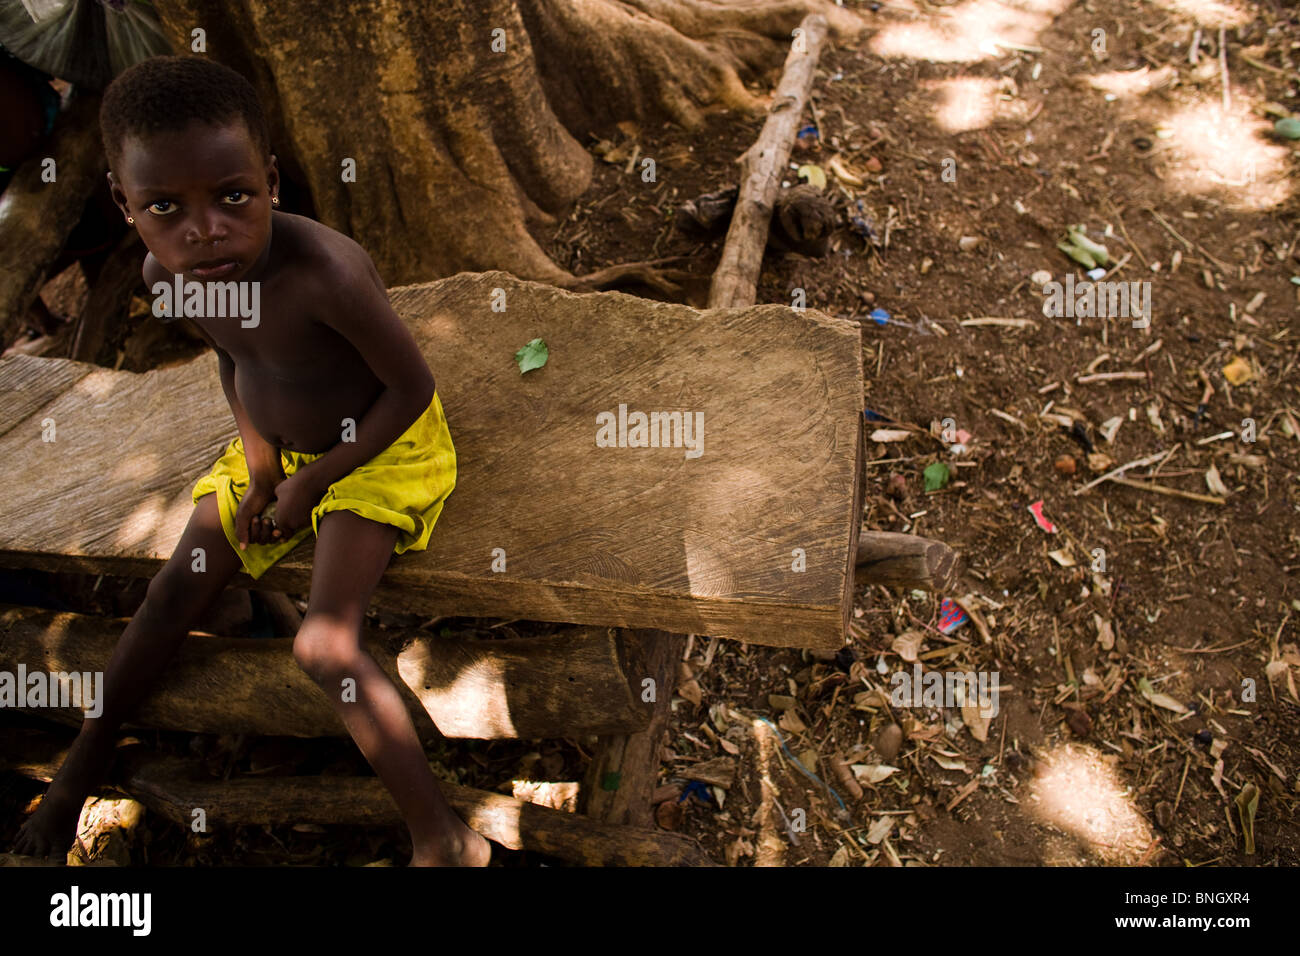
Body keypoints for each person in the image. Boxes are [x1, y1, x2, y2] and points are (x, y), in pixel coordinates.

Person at [13, 54, 490, 867]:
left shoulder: (325, 275)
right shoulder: (173, 275)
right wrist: (265, 465)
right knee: (170, 593)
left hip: (379, 447)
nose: (206, 230)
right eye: (167, 206)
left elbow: (411, 388)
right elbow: (233, 360)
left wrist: (315, 479)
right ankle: (75, 778)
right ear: (125, 207)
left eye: (233, 195)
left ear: (270, 181)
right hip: (280, 454)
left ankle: (442, 836)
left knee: (325, 646)